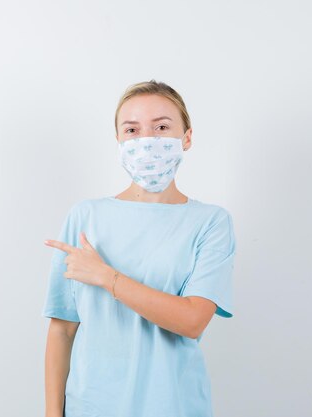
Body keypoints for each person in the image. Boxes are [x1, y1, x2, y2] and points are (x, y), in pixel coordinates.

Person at [41, 79, 237, 417]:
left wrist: (108, 278)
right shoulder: (86, 217)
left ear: (186, 138)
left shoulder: (210, 222)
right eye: (132, 130)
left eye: (161, 127)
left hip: (173, 406)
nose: (147, 140)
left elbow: (192, 320)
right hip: (91, 407)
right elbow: (62, 329)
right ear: (119, 140)